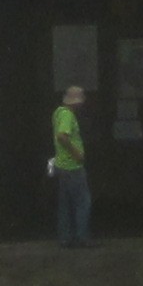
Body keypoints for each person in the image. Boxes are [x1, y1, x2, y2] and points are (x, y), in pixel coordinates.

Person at [47, 84, 92, 246]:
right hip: (72, 165)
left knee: (65, 203)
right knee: (82, 202)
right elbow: (62, 136)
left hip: (62, 165)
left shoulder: (58, 113)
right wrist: (77, 153)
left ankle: (65, 237)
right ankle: (82, 237)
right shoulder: (67, 115)